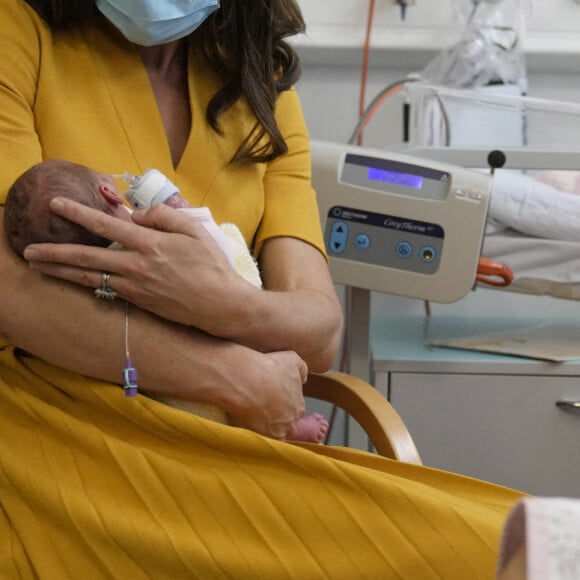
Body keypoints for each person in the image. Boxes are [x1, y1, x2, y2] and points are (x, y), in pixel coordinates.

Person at [0, 0, 525, 577]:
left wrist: (222, 303)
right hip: (60, 432)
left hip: (229, 440)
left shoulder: (259, 78)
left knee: (510, 540)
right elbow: (11, 291)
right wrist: (235, 374)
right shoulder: (17, 31)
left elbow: (319, 330)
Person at [4, 158, 329, 442]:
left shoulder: (83, 282)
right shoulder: (155, 228)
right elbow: (214, 248)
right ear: (109, 192)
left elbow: (323, 338)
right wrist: (183, 210)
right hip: (238, 373)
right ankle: (286, 429)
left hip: (157, 408)